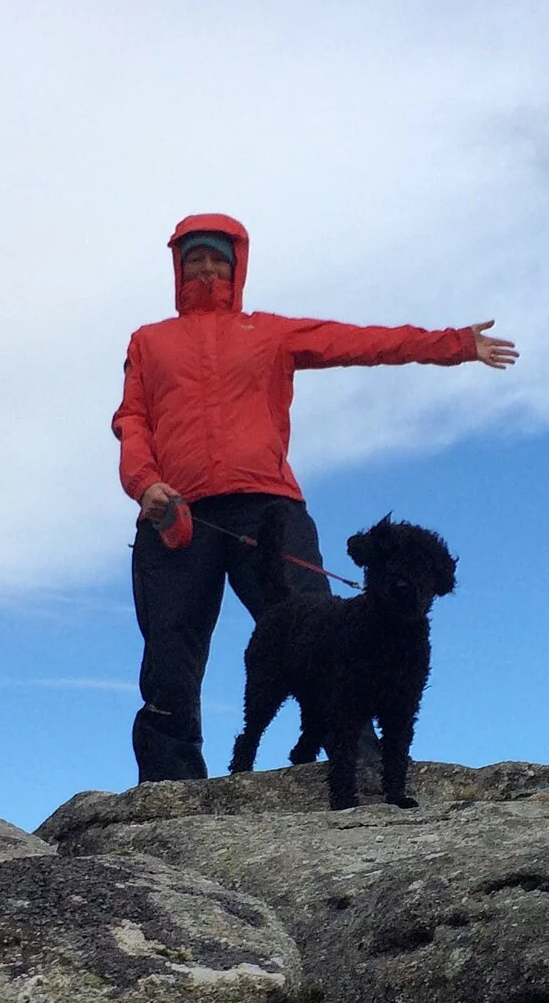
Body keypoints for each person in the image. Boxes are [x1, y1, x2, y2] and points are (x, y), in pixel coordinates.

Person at [114, 212, 517, 782]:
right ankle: (171, 783)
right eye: (195, 258)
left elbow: (361, 343)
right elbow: (132, 420)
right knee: (169, 653)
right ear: (178, 267)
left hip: (268, 507)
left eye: (217, 258)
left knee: (326, 635)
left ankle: (361, 761)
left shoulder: (270, 332)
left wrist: (454, 344)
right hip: (175, 512)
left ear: (237, 267)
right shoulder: (149, 341)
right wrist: (145, 483)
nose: (206, 267)